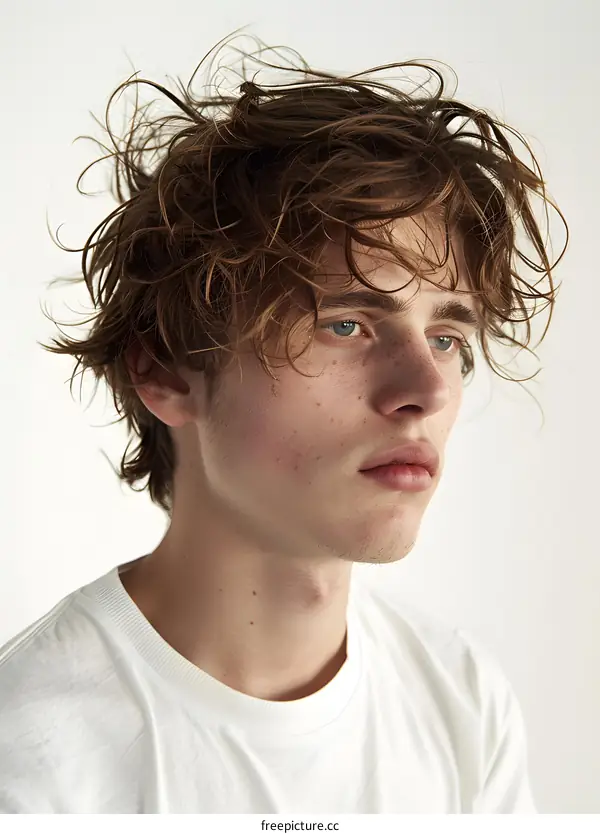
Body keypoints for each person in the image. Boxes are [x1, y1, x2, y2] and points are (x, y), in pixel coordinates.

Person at [0, 39, 566, 814]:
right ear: (165, 373)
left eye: (447, 337)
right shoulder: (31, 758)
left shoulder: (462, 705)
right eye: (346, 325)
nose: (428, 389)